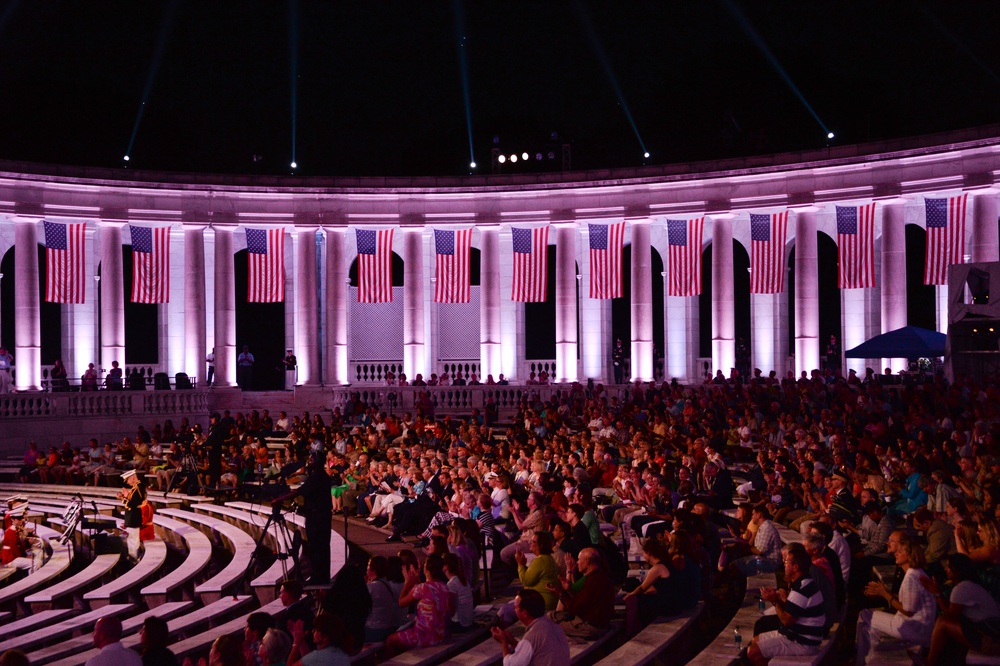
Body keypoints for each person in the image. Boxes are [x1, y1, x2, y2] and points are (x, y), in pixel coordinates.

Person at [856, 537, 937, 664]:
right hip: (918, 627)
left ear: (910, 556)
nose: (895, 553)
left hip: (913, 628)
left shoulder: (911, 577)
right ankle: (869, 659)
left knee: (864, 615)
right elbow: (908, 601)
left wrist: (884, 594)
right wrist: (883, 592)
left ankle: (862, 661)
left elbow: (908, 610)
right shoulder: (916, 573)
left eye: (900, 551)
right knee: (868, 628)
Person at [747, 545, 826, 665]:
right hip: (795, 635)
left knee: (753, 652)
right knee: (754, 640)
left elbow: (786, 620)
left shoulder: (802, 589)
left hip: (802, 642)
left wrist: (774, 601)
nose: (784, 564)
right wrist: (777, 599)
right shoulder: (804, 583)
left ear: (795, 567)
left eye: (786, 562)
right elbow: (793, 611)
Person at [922, 553, 1000, 666]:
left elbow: (950, 616)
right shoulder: (970, 585)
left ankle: (929, 662)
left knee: (942, 622)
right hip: (988, 634)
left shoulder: (962, 588)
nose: (945, 569)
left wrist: (937, 593)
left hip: (990, 640)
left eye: (948, 566)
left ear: (956, 570)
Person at [273, 453, 333, 586]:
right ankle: (320, 576)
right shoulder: (319, 476)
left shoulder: (318, 476)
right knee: (319, 547)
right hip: (319, 516)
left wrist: (280, 499)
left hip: (318, 517)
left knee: (318, 547)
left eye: (311, 460)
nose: (309, 462)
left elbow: (299, 491)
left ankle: (319, 577)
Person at [384, 554, 453, 657]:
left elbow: (401, 602)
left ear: (426, 569)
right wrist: (417, 583)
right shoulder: (444, 587)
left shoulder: (422, 588)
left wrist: (407, 583)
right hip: (439, 634)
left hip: (424, 635)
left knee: (390, 640)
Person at [490, 588, 570, 666]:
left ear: (524, 613)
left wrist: (503, 642)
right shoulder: (552, 624)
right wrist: (512, 642)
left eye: (515, 608)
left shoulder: (533, 635)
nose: (514, 610)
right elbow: (532, 651)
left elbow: (509, 664)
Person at [548, 547, 615, 639]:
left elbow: (575, 608)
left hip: (591, 627)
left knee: (549, 623)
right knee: (551, 616)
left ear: (587, 561)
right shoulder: (598, 576)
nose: (577, 562)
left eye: (579, 559)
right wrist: (568, 590)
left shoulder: (594, 580)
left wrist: (559, 592)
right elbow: (582, 601)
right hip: (597, 623)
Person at [118, 469, 147, 560]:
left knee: (133, 539)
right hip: (132, 516)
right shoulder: (135, 488)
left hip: (134, 516)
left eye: (127, 480)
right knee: (131, 538)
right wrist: (124, 496)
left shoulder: (138, 488)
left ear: (133, 478)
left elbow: (132, 504)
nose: (127, 482)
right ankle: (132, 557)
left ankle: (134, 558)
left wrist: (123, 498)